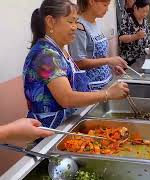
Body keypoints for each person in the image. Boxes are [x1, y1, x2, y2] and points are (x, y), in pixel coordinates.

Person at [24, 0, 129, 130]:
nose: (75, 27)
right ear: (50, 21)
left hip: (66, 123)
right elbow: (66, 98)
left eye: (75, 21)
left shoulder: (59, 50)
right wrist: (107, 94)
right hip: (50, 130)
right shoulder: (45, 55)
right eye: (70, 22)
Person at [68, 0, 127, 91]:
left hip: (105, 83)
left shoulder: (95, 23)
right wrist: (108, 60)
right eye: (105, 5)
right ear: (91, 1)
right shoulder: (79, 26)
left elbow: (99, 56)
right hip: (91, 87)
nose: (107, 9)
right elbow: (78, 62)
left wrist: (111, 65)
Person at [118, 0, 150, 66]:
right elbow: (121, 38)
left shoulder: (145, 20)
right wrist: (136, 36)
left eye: (147, 11)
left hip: (142, 58)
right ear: (135, 8)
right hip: (129, 60)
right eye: (143, 11)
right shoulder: (127, 19)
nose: (145, 14)